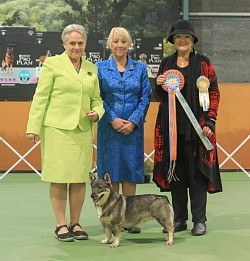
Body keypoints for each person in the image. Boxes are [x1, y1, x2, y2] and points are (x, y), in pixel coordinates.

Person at [26, 24, 104, 242]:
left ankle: (75, 223)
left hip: (82, 130)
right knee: (60, 178)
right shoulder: (52, 64)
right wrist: (33, 126)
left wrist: (97, 112)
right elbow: (40, 97)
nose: (76, 47)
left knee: (79, 179)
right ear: (64, 44)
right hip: (56, 130)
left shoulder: (91, 68)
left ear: (85, 44)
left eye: (80, 43)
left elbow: (97, 99)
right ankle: (61, 224)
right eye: (72, 43)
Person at [153, 20, 222, 236]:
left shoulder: (203, 63)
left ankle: (199, 220)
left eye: (187, 37)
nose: (183, 41)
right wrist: (158, 84)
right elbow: (159, 96)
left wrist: (210, 120)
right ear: (173, 41)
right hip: (171, 130)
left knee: (198, 175)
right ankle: (180, 219)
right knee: (176, 175)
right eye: (179, 37)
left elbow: (214, 93)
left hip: (199, 130)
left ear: (192, 41)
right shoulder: (166, 64)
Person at [96, 27, 152, 234]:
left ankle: (130, 218)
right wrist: (112, 119)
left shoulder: (140, 68)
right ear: (109, 44)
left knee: (130, 170)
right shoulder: (100, 68)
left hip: (133, 129)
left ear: (129, 44)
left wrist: (134, 121)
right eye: (115, 41)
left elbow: (145, 97)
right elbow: (97, 97)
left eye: (123, 42)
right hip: (108, 128)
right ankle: (113, 216)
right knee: (112, 173)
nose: (119, 45)